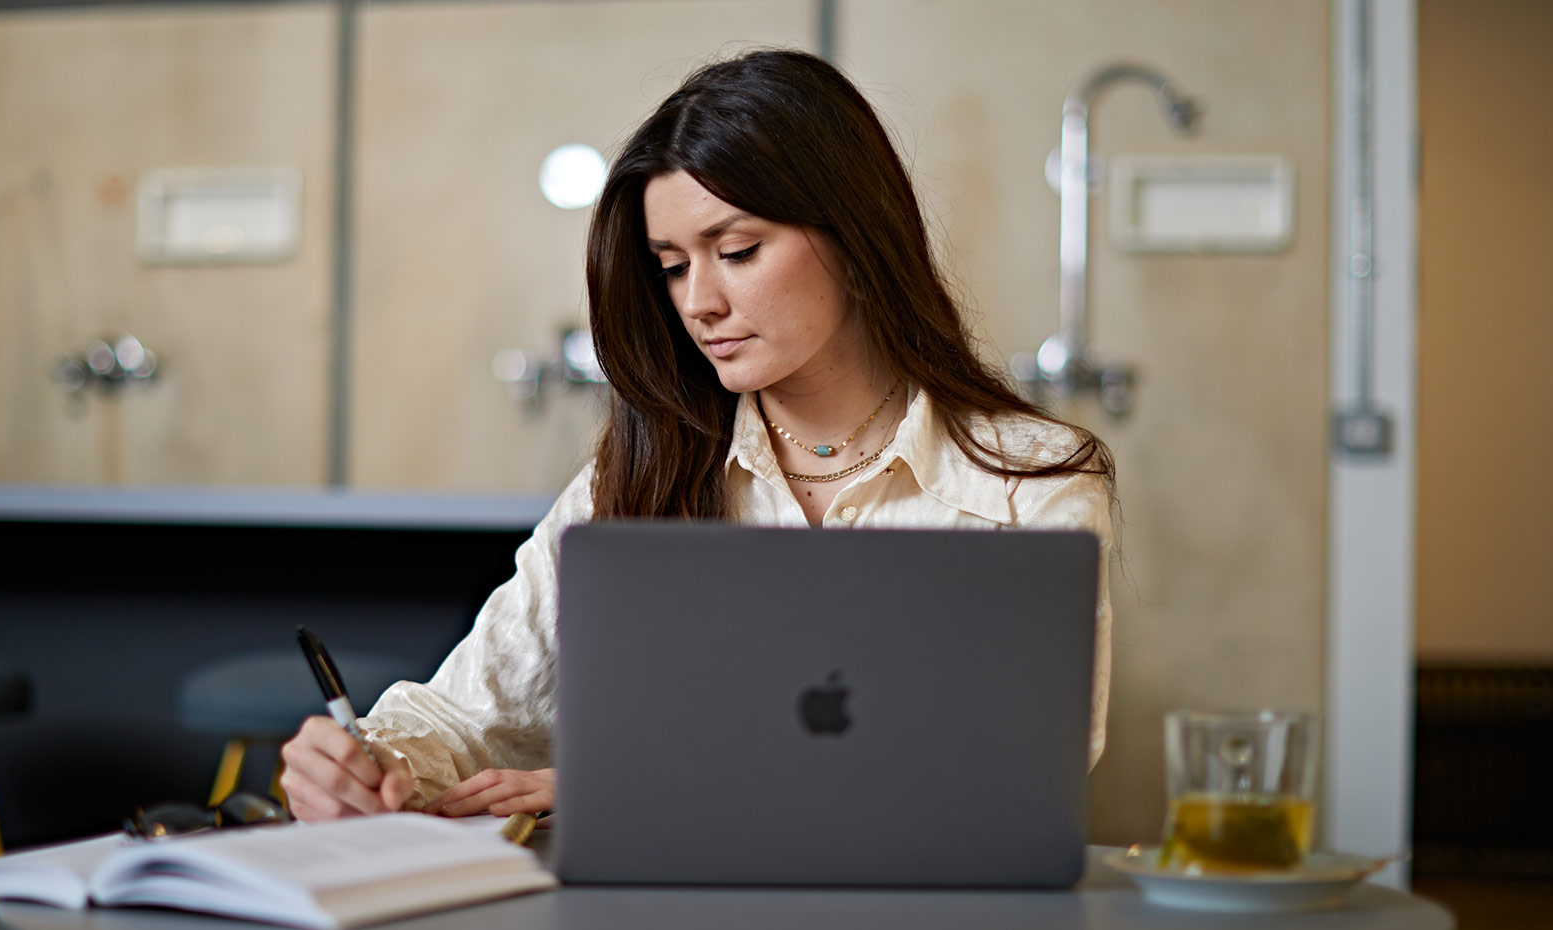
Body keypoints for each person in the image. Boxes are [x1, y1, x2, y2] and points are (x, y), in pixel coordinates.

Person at [280, 48, 1114, 824]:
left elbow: (1012, 774)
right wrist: (365, 764)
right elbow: (464, 711)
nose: (698, 302)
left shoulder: (1031, 483)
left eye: (738, 250)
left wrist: (640, 794)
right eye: (673, 265)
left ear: (859, 239)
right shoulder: (642, 472)